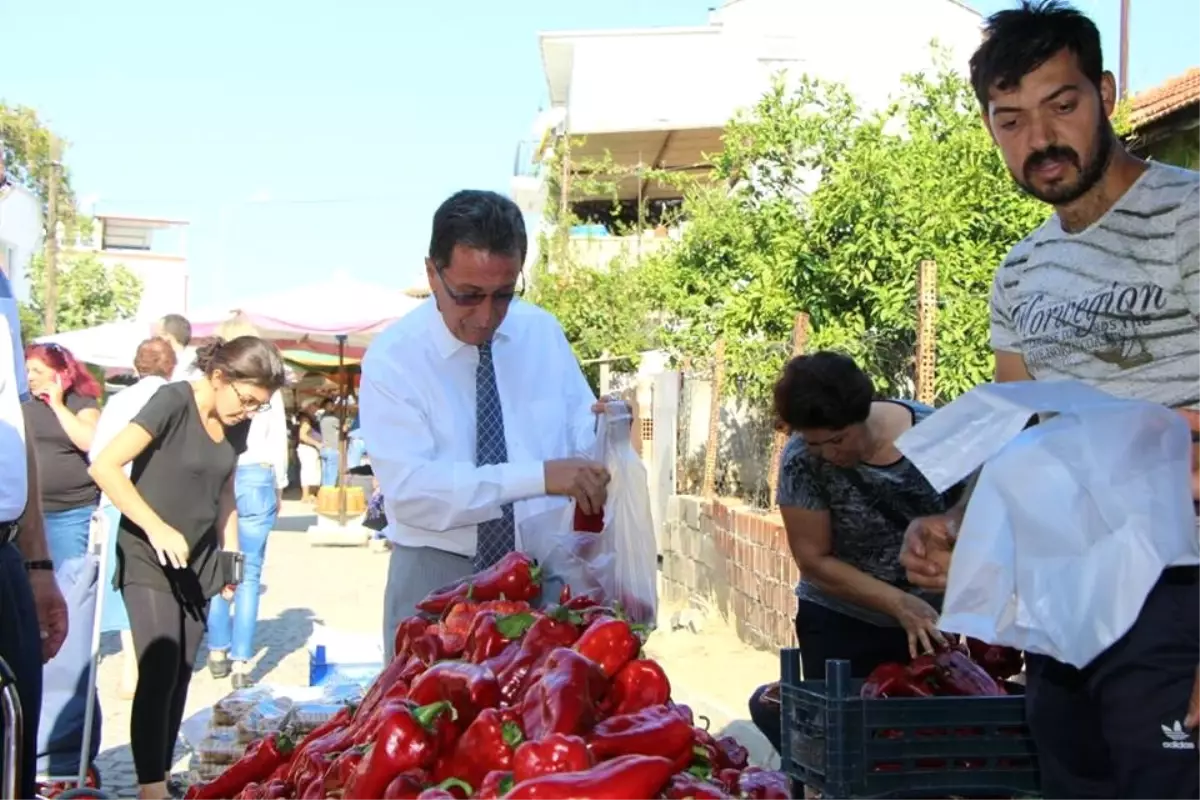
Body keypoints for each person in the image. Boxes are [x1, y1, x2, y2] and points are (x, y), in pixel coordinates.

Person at [898, 3, 1200, 797]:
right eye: (1011, 120)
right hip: (1064, 597)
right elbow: (1013, 428)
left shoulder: (1189, 218)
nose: (1040, 139)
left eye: (1061, 105)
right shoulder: (1020, 271)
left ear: (1105, 94)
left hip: (1178, 593)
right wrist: (959, 525)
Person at [359, 189, 612, 659]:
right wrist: (538, 476)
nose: (486, 316)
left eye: (504, 295)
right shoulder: (394, 359)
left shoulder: (541, 333)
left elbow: (579, 438)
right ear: (433, 274)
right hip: (436, 578)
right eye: (469, 295)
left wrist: (608, 433)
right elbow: (414, 493)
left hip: (539, 578)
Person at [89, 336, 286, 800]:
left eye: (260, 405)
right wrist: (155, 527)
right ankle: (151, 788)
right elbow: (106, 466)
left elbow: (224, 492)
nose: (250, 412)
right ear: (220, 377)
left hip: (196, 560)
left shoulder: (235, 419)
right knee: (158, 664)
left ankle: (154, 776)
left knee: (180, 671)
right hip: (147, 552)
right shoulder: (172, 401)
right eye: (247, 399)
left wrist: (230, 558)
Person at [746, 352, 960, 755]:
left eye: (838, 439)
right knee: (844, 753)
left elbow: (977, 517)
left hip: (932, 624)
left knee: (925, 751)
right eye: (814, 443)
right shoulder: (799, 460)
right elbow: (813, 560)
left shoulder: (935, 437)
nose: (828, 454)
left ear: (863, 414)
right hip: (839, 620)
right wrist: (898, 603)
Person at [0, 266, 69, 800]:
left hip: (5, 554)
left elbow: (15, 417)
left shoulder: (1, 284)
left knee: (11, 758)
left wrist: (37, 562)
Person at [89, 338, 177, 699]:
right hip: (163, 505)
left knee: (126, 584)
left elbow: (97, 453)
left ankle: (131, 665)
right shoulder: (178, 397)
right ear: (170, 365)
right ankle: (153, 661)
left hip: (119, 500)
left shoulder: (119, 401)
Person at [204, 321, 289, 689]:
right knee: (249, 573)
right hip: (257, 476)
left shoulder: (220, 384)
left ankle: (217, 650)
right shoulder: (269, 389)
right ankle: (241, 660)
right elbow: (278, 440)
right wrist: (281, 485)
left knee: (219, 567)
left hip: (225, 472)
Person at [24, 342, 102, 565]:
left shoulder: (81, 403)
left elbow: (88, 441)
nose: (30, 377)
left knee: (69, 582)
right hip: (30, 513)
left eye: (37, 371)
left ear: (61, 372)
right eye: (27, 371)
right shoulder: (23, 405)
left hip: (70, 513)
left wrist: (57, 405)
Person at [154, 313, 200, 383]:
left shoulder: (196, 363)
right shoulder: (199, 358)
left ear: (167, 337)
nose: (154, 341)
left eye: (157, 335)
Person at [296, 407, 322, 503]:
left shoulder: (309, 419)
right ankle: (305, 495)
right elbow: (302, 436)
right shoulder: (305, 420)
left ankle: (310, 494)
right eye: (314, 404)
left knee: (312, 471)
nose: (316, 407)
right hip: (307, 448)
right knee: (307, 471)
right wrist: (316, 443)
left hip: (310, 449)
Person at [317, 398, 341, 487]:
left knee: (325, 475)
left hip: (324, 449)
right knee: (331, 476)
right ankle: (331, 497)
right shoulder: (333, 419)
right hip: (332, 448)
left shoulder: (321, 417)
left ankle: (324, 495)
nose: (333, 407)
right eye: (331, 405)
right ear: (326, 406)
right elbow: (344, 428)